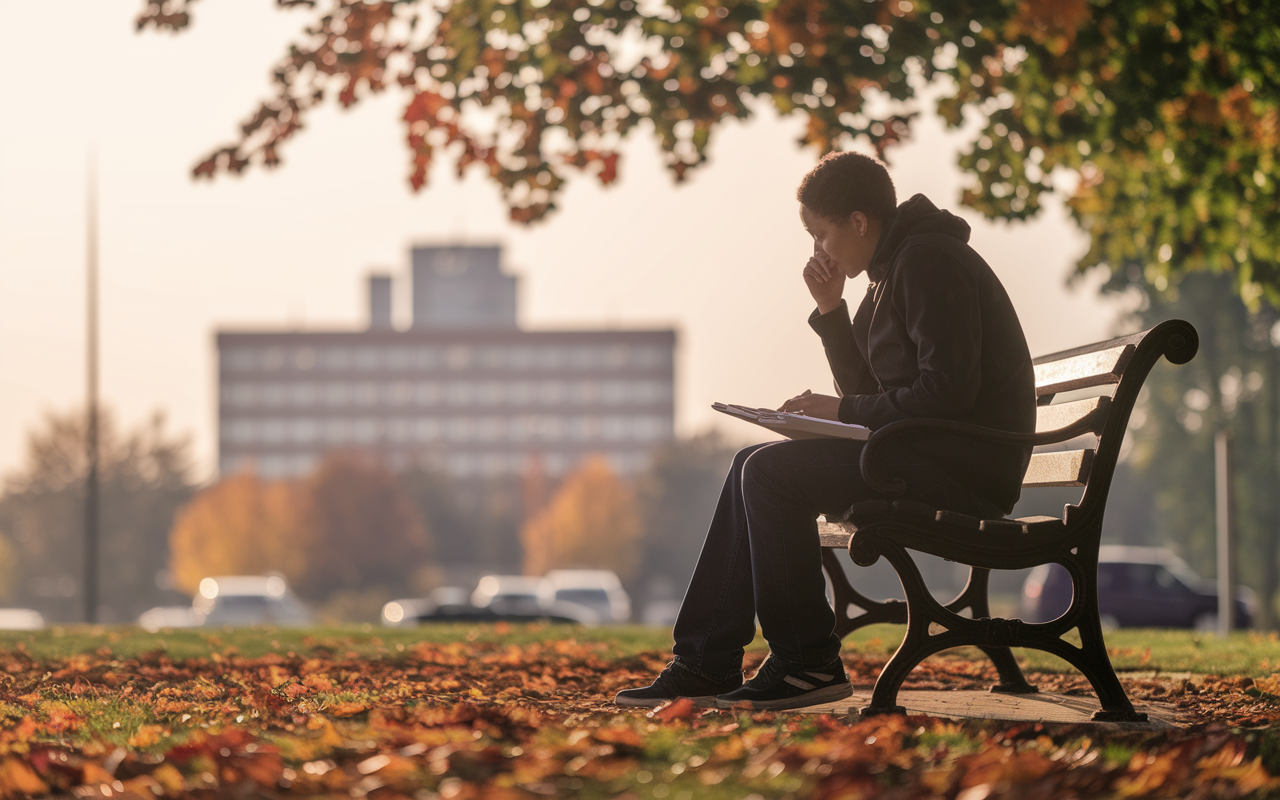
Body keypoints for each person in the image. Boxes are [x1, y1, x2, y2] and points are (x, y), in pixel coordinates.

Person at [614, 151, 1037, 710]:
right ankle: (704, 661)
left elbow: (948, 391)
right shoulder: (891, 272)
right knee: (751, 463)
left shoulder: (930, 261)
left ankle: (807, 663)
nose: (818, 250)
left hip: (965, 469)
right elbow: (875, 388)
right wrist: (832, 311)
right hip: (927, 455)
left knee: (768, 473)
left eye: (821, 234)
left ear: (858, 222)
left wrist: (840, 412)